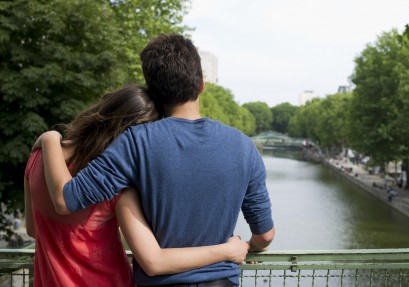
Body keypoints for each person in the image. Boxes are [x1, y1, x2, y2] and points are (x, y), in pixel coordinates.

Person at [37, 34, 275, 287]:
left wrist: (50, 138)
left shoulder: (135, 143)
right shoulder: (244, 147)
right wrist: (242, 247)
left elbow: (65, 200)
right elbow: (265, 235)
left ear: (153, 91)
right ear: (202, 84)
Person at [25, 84, 248, 287]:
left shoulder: (37, 160)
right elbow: (153, 261)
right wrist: (228, 250)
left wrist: (49, 138)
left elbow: (32, 229)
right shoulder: (118, 187)